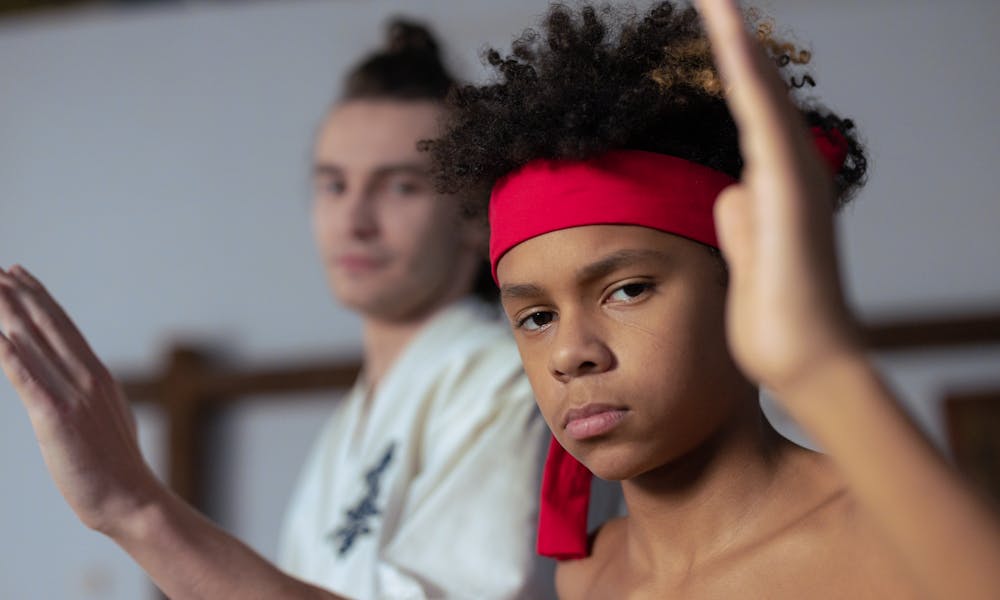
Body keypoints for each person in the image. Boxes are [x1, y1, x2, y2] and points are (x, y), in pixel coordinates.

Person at [426, 1, 1000, 598]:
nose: (570, 353)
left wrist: (822, 366)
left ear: (743, 282)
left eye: (627, 290)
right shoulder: (586, 577)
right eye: (537, 317)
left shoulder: (894, 543)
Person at [0, 17, 558, 600]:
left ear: (474, 218)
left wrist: (133, 506)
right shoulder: (354, 420)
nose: (355, 221)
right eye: (334, 185)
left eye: (400, 187)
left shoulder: (505, 384)